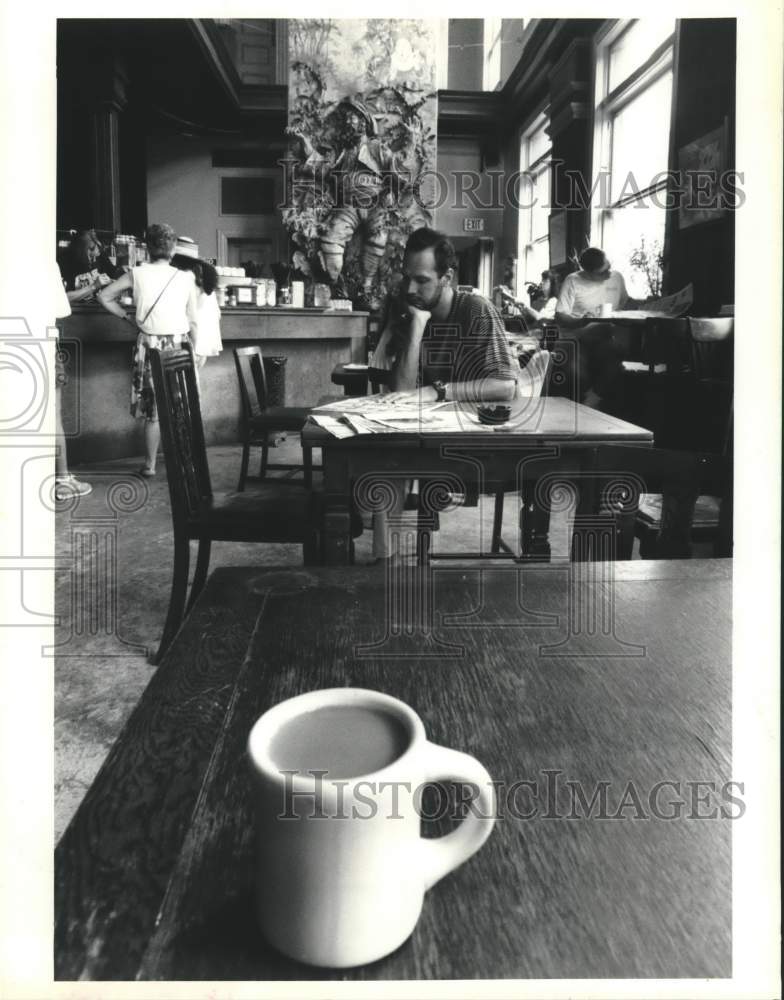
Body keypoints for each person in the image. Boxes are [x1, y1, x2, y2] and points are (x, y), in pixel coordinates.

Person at [368, 227, 520, 559]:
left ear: (447, 277)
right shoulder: (407, 308)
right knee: (385, 459)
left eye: (422, 280)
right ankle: (382, 565)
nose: (410, 288)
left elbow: (505, 385)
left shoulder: (476, 310)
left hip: (474, 442)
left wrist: (439, 391)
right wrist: (417, 327)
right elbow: (403, 392)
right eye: (407, 278)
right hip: (424, 438)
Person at [98, 223, 200, 477]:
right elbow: (194, 320)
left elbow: (104, 296)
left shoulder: (137, 273)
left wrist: (127, 317)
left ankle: (150, 465)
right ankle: (185, 462)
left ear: (146, 248)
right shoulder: (185, 278)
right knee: (180, 405)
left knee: (153, 410)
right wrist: (195, 352)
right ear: (173, 248)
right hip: (178, 344)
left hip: (148, 344)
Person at [554, 246, 637, 409]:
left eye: (609, 267)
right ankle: (587, 403)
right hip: (576, 338)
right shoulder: (573, 280)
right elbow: (560, 316)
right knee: (577, 372)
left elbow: (626, 302)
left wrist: (650, 305)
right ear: (587, 272)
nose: (608, 273)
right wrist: (582, 322)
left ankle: (591, 402)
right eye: (602, 272)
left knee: (615, 358)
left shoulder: (617, 277)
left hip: (604, 337)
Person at [52, 261, 93, 502]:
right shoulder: (45, 262)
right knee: (52, 416)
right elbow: (61, 308)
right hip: (39, 341)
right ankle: (62, 479)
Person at [169, 238, 223, 367]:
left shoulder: (184, 277)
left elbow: (188, 316)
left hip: (192, 340)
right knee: (193, 383)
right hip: (205, 341)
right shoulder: (205, 276)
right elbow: (218, 314)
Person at [58, 229, 121, 303]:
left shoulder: (100, 256)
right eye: (88, 252)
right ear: (78, 250)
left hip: (101, 309)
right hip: (76, 311)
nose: (93, 260)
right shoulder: (65, 262)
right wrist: (93, 286)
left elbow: (116, 277)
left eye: (93, 249)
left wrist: (120, 272)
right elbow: (64, 297)